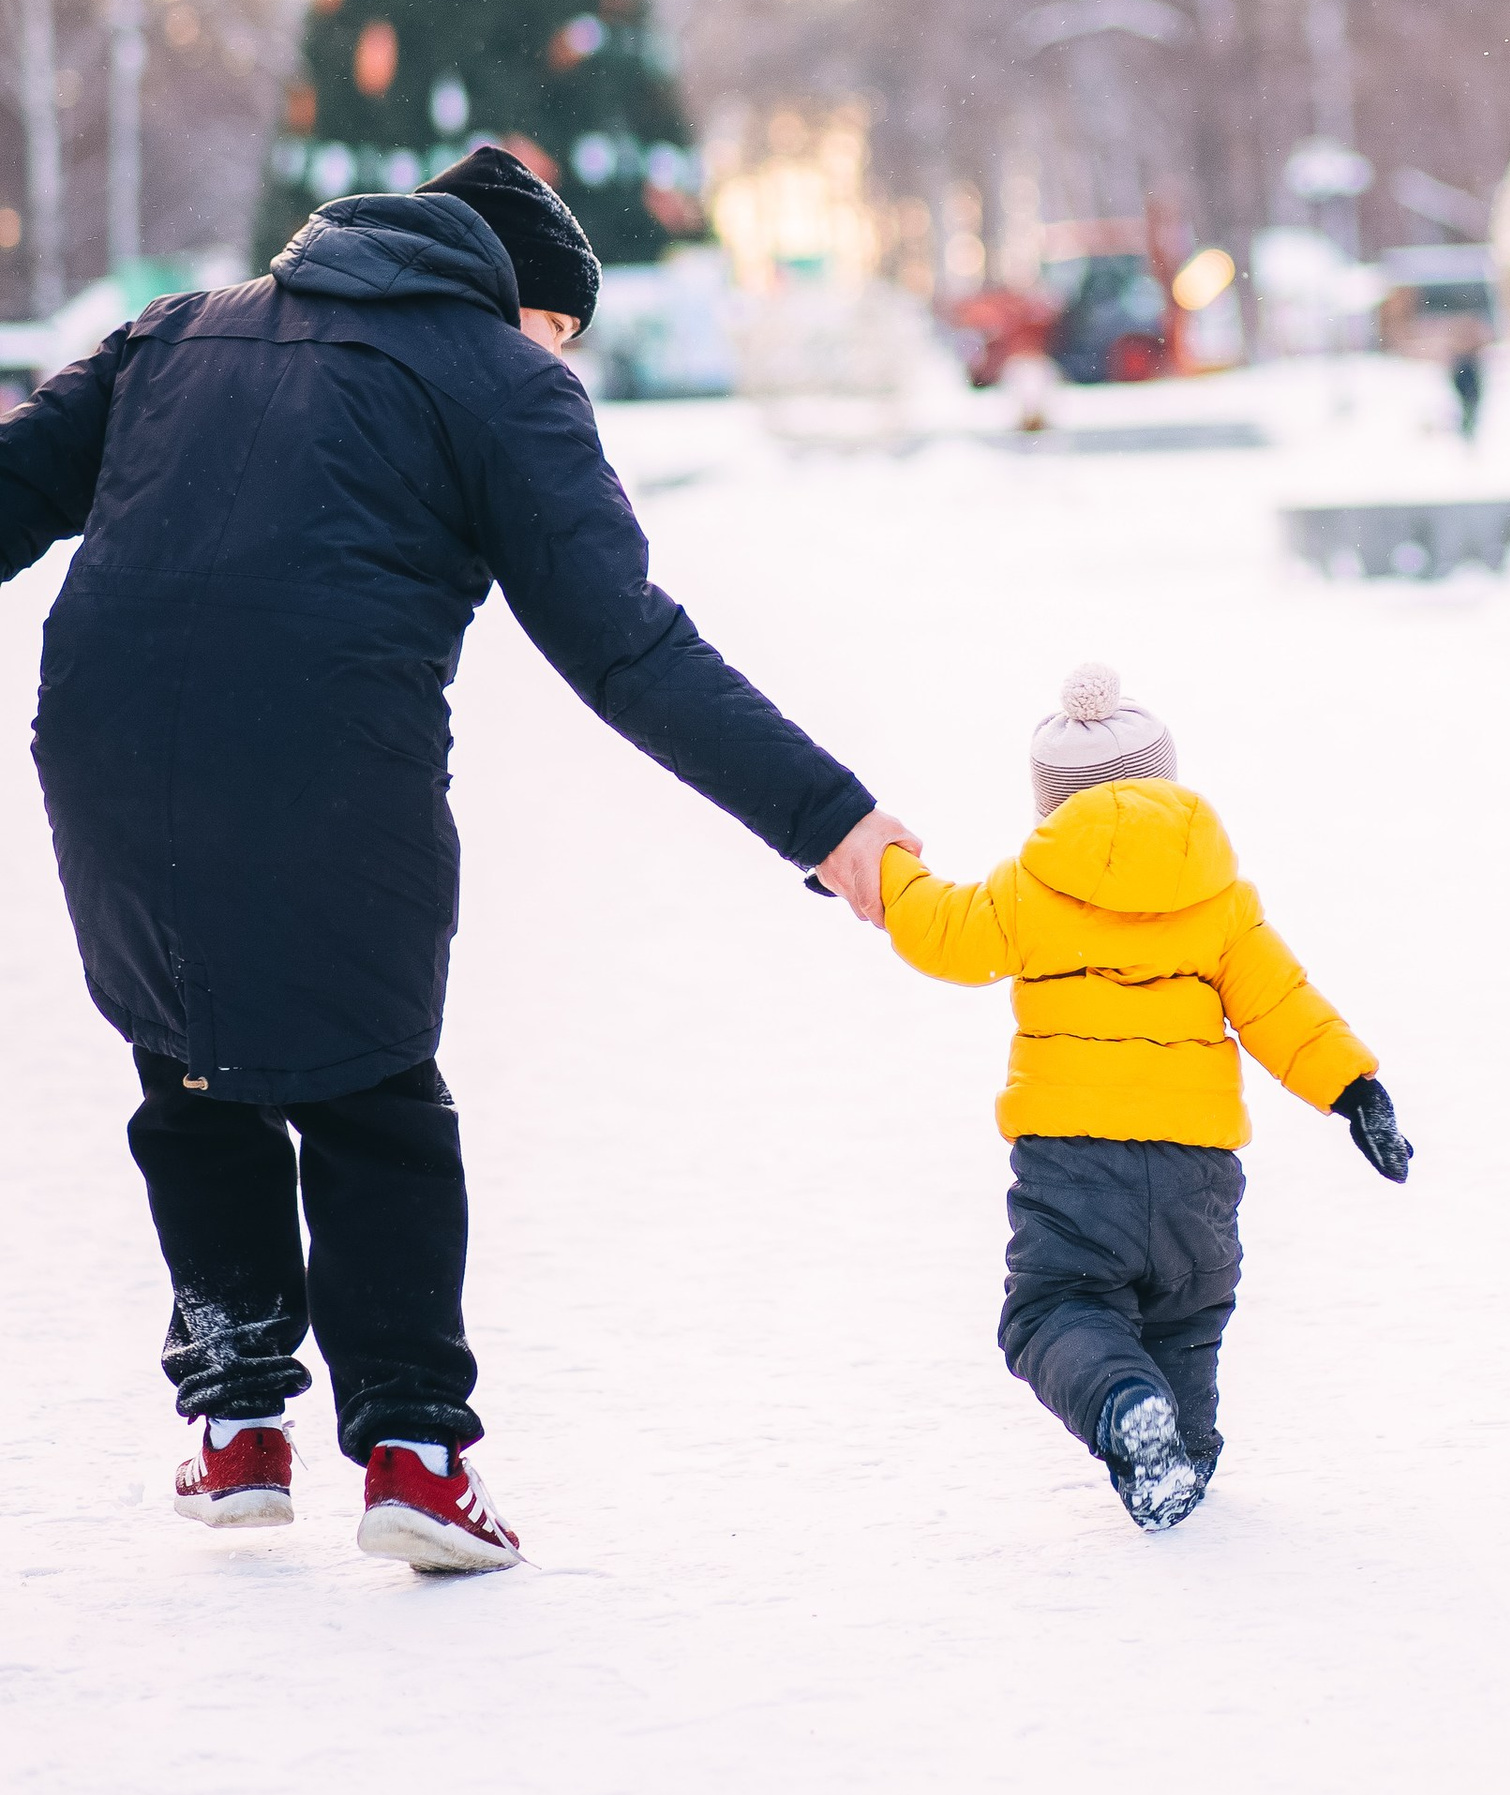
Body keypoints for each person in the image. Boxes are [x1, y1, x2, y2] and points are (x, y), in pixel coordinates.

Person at [0, 146, 910, 1572]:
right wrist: (830, 820)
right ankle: (416, 1456)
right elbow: (627, 645)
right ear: (517, 301)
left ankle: (239, 1427)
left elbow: (10, 490)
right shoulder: (501, 376)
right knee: (374, 1095)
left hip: (107, 746)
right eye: (562, 332)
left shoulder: (180, 329)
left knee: (188, 1060)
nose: (563, 362)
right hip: (323, 762)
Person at [857, 660, 1410, 1531]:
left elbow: (940, 933)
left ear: (1054, 804)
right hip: (1197, 1175)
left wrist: (877, 870)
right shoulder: (1222, 901)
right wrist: (1355, 1089)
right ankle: (1180, 1449)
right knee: (1185, 1319)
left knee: (1051, 1312)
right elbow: (1280, 1006)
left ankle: (1124, 1408)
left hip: (1075, 1166)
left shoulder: (1028, 890)